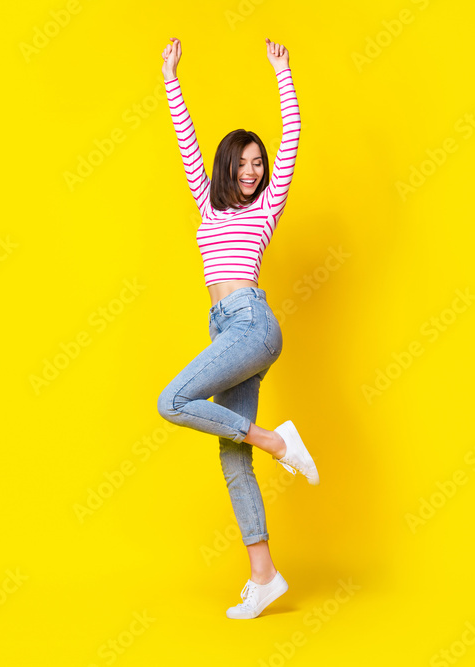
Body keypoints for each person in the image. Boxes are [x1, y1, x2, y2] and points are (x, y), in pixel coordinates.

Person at [156, 36, 319, 620]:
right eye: (244, 162)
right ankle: (265, 576)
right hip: (226, 329)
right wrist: (172, 76)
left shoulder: (265, 208)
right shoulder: (208, 203)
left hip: (252, 322)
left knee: (172, 400)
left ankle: (279, 441)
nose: (252, 170)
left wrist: (283, 74)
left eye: (258, 162)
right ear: (229, 167)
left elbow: (294, 141)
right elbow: (186, 141)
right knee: (231, 455)